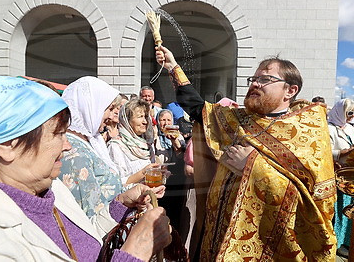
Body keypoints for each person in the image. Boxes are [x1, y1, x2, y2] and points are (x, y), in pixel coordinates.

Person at [0, 76, 171, 261]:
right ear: (6, 145)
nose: (67, 146)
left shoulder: (53, 190)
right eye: (58, 134)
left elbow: (83, 242)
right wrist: (134, 253)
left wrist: (118, 206)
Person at [156, 45, 337, 261]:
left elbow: (312, 202)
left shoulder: (307, 132)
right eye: (254, 79)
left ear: (290, 90)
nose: (255, 84)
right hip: (218, 232)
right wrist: (172, 66)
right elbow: (199, 109)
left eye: (266, 79)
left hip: (267, 243)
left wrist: (251, 166)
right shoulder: (237, 119)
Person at [60, 77, 124, 217]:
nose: (110, 116)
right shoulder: (75, 155)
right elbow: (91, 214)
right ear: (89, 107)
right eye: (109, 109)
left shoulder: (92, 140)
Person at [108, 99, 159, 185]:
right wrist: (142, 173)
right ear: (127, 121)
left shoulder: (147, 145)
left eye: (146, 117)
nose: (145, 122)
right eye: (140, 117)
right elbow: (116, 183)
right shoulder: (116, 147)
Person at [328, 98, 354, 258]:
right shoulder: (329, 128)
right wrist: (341, 153)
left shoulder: (350, 128)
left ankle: (347, 241)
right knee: (339, 210)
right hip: (339, 177)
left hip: (352, 176)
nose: (351, 116)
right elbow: (325, 150)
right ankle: (337, 243)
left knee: (350, 210)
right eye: (349, 113)